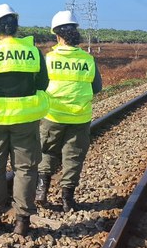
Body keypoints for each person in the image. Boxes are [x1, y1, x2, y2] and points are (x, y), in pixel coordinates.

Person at [0, 4, 49, 236]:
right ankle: (22, 222)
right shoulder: (34, 52)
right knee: (25, 169)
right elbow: (43, 84)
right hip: (25, 120)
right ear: (16, 26)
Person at [35, 11, 102, 212]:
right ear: (75, 33)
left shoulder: (49, 59)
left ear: (57, 35)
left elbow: (39, 85)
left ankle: (41, 191)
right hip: (80, 117)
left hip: (52, 115)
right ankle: (67, 200)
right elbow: (96, 87)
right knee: (73, 156)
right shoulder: (87, 60)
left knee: (47, 151)